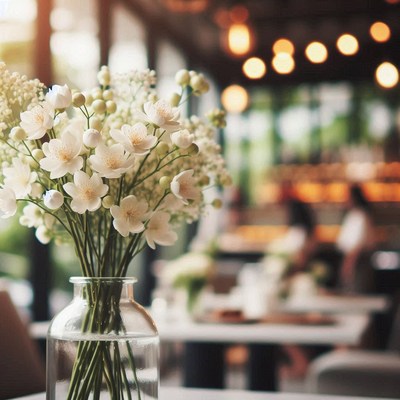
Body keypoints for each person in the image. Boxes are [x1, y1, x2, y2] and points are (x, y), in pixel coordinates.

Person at [336, 184, 376, 293]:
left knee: (355, 294)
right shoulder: (353, 215)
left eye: (347, 196)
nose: (345, 200)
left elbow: (356, 245)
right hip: (353, 260)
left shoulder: (360, 216)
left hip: (357, 262)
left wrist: (348, 265)